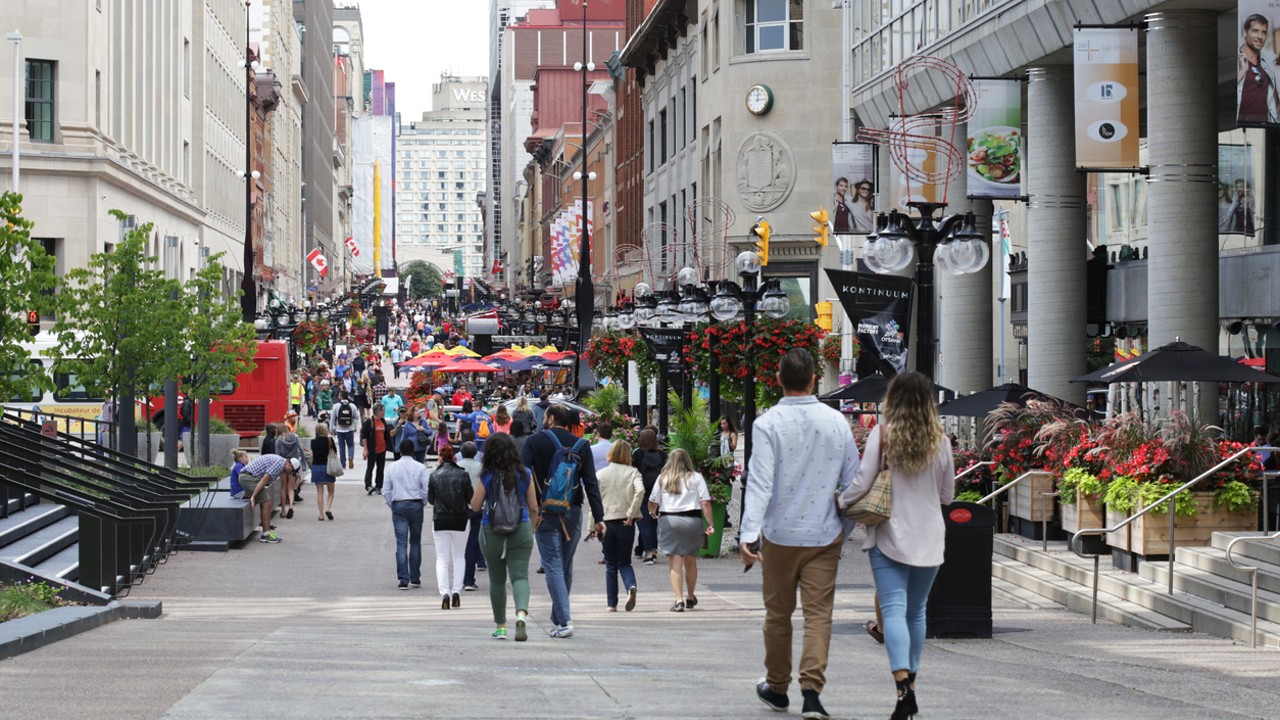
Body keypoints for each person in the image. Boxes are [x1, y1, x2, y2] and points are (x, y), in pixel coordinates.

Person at [742, 348, 861, 720]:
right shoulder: (836, 422)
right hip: (824, 533)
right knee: (818, 614)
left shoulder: (767, 424)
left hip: (780, 533)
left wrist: (748, 535)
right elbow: (854, 480)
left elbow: (760, 483)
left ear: (778, 379)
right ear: (813, 379)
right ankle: (812, 691)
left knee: (778, 614)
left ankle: (778, 686)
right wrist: (845, 524)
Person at [836, 370, 954, 720]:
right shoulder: (942, 441)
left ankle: (902, 687)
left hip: (889, 534)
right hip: (930, 536)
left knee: (893, 610)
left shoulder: (883, 435)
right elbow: (948, 495)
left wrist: (842, 502)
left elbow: (862, 481)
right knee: (916, 612)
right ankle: (911, 686)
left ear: (894, 400)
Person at [521, 404, 606, 639]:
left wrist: (527, 507)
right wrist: (599, 518)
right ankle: (558, 619)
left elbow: (522, 473)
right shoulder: (581, 445)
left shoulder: (534, 441)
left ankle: (565, 620)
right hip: (573, 511)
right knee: (565, 565)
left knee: (552, 564)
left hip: (544, 512)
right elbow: (591, 483)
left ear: (549, 419)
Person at [470, 432, 540, 640]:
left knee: (497, 579)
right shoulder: (525, 473)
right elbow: (534, 506)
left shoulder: (487, 475)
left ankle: (501, 626)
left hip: (491, 530)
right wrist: (532, 528)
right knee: (520, 576)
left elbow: (475, 505)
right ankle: (521, 615)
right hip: (521, 528)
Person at [647, 449, 713, 613]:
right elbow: (705, 502)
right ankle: (690, 596)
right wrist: (710, 523)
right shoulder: (696, 478)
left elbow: (653, 501)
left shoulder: (663, 478)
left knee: (675, 562)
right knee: (691, 561)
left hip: (669, 520)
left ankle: (678, 600)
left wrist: (653, 513)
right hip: (692, 521)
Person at [597, 439, 643, 612]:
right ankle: (631, 585)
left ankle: (611, 604)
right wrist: (632, 512)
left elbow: (595, 501)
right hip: (626, 521)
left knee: (610, 564)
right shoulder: (633, 472)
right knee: (625, 562)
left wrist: (592, 526)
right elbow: (640, 491)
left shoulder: (601, 474)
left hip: (607, 521)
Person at [429, 445, 474, 610]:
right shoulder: (463, 475)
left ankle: (445, 593)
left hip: (440, 520)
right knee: (459, 556)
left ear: (440, 458)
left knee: (442, 558)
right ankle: (456, 591)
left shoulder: (434, 475)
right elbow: (470, 497)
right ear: (454, 457)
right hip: (461, 519)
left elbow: (431, 500)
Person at [383, 439, 430, 590]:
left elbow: (386, 490)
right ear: (413, 451)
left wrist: (392, 504)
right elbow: (426, 489)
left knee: (401, 543)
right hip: (416, 503)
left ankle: (403, 579)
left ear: (400, 451)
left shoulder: (392, 467)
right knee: (415, 541)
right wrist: (422, 502)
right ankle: (415, 577)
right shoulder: (421, 467)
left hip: (399, 504)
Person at [237, 454, 299, 544]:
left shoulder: (280, 463)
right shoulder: (279, 464)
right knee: (266, 502)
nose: (290, 473)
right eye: (291, 471)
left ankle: (267, 529)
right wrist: (253, 496)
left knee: (266, 501)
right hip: (248, 478)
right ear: (289, 465)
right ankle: (265, 534)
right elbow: (264, 480)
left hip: (249, 477)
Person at [1237, 13, 1280, 126]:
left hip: (1266, 125)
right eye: (1255, 31)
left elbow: (1274, 96)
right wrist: (1242, 72)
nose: (1260, 37)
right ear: (1245, 32)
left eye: (1264, 32)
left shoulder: (1268, 62)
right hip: (1241, 124)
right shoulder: (1235, 60)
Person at [631, 428, 666, 565]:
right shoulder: (663, 455)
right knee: (653, 522)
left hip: (642, 491)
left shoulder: (637, 453)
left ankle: (649, 552)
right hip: (658, 492)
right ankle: (649, 549)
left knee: (644, 523)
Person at [457, 441, 486, 591]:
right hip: (477, 507)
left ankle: (458, 579)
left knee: (458, 545)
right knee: (473, 543)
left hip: (459, 509)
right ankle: (468, 579)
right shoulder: (480, 467)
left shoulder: (457, 466)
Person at [275, 419, 307, 518]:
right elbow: (301, 450)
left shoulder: (278, 441)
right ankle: (292, 506)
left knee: (283, 488)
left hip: (284, 465)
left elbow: (277, 456)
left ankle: (283, 510)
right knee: (291, 488)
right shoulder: (294, 437)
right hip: (294, 464)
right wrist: (303, 464)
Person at [361, 410, 394, 496]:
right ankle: (368, 485)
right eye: (382, 410)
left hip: (382, 449)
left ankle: (379, 486)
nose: (384, 412)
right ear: (378, 411)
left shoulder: (383, 421)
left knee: (380, 469)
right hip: (372, 450)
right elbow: (364, 436)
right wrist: (365, 449)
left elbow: (386, 434)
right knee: (370, 468)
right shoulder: (369, 422)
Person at [310, 424, 338, 521]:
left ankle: (321, 514)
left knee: (319, 493)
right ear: (323, 431)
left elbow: (313, 453)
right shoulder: (329, 440)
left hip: (316, 467)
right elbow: (335, 452)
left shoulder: (313, 442)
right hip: (328, 467)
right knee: (331, 491)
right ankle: (328, 508)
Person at [331, 391, 360, 470]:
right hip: (349, 429)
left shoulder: (336, 406)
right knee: (351, 445)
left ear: (340, 397)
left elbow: (332, 418)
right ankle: (350, 457)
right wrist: (354, 426)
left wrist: (331, 429)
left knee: (341, 447)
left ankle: (343, 463)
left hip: (339, 429)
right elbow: (357, 417)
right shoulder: (352, 406)